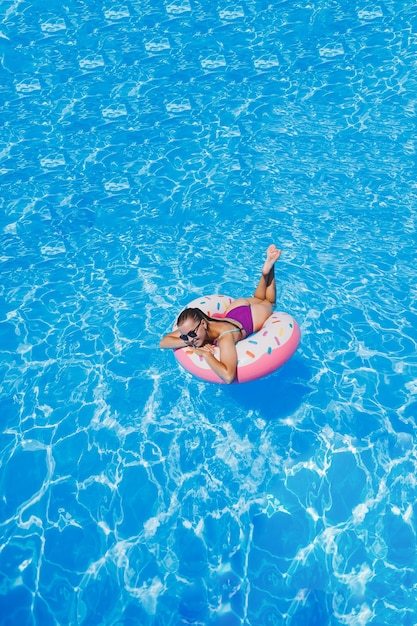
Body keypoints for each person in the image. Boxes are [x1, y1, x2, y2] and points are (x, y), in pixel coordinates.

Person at [160, 244, 281, 384]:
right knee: (259, 299)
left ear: (203, 324)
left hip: (249, 318)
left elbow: (229, 376)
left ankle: (269, 269)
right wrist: (189, 342)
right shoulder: (194, 327)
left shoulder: (225, 337)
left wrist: (206, 355)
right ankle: (265, 270)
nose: (190, 338)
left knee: (270, 302)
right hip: (233, 310)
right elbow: (163, 342)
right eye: (184, 335)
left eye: (192, 334)